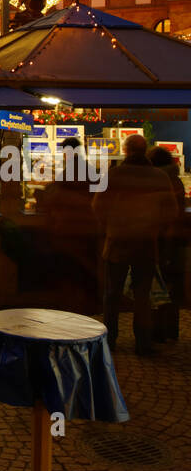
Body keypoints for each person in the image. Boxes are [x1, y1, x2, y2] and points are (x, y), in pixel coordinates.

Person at [92, 134, 179, 355]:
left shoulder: (113, 175)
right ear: (145, 149)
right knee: (142, 295)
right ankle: (143, 342)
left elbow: (98, 206)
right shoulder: (159, 176)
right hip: (146, 243)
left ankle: (109, 340)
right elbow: (171, 211)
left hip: (117, 241)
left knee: (112, 294)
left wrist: (110, 225)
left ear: (126, 150)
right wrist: (155, 228)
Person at [39, 137, 98, 312]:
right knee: (87, 270)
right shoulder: (91, 171)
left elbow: (55, 197)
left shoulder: (67, 173)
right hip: (89, 228)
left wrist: (42, 195)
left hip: (68, 229)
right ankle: (88, 305)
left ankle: (73, 307)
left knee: (71, 270)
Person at [148, 146, 187, 342]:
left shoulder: (157, 181)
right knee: (171, 288)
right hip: (174, 241)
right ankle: (169, 331)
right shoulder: (176, 180)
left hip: (161, 241)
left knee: (157, 288)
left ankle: (158, 331)